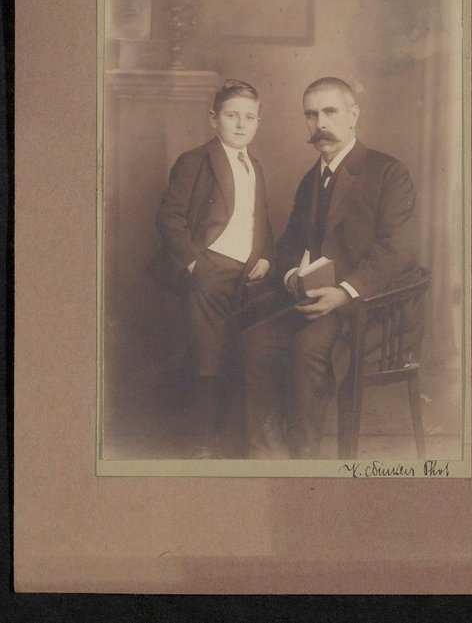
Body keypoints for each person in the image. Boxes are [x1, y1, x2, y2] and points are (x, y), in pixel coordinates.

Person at [240, 76, 417, 459]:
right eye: (311, 114)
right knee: (254, 343)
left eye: (330, 112)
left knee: (306, 348)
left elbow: (398, 248)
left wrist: (344, 292)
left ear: (353, 115)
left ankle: (303, 458)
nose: (320, 123)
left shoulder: (387, 172)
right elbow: (290, 244)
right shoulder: (311, 180)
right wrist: (292, 276)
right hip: (314, 304)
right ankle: (267, 454)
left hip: (369, 309)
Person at [153, 79, 273, 458]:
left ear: (258, 123)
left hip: (245, 276)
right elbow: (170, 216)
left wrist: (265, 256)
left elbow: (260, 221)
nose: (241, 124)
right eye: (232, 115)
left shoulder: (255, 167)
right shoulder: (196, 160)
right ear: (213, 118)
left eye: (249, 117)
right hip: (209, 270)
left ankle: (231, 439)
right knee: (208, 355)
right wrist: (194, 263)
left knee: (239, 351)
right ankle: (201, 444)